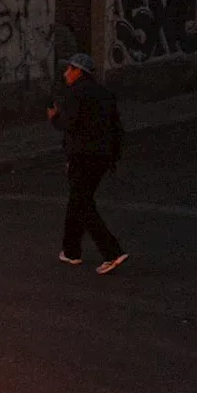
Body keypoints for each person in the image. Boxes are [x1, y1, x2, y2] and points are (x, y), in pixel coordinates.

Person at [49, 53, 128, 275]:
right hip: (102, 157)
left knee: (82, 203)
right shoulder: (103, 93)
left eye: (69, 69)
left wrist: (54, 117)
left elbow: (69, 124)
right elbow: (115, 126)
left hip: (83, 156)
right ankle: (71, 250)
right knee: (78, 200)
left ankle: (111, 251)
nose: (66, 74)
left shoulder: (76, 94)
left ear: (78, 72)